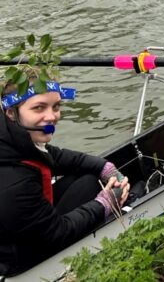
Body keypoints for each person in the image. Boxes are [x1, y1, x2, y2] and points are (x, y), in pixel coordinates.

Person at [0, 79, 129, 276]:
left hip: (23, 229)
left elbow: (56, 156)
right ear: (11, 113)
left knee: (89, 177)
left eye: (56, 106)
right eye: (39, 108)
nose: (52, 117)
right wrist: (105, 203)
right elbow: (58, 233)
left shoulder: (11, 137)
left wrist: (105, 167)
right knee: (91, 185)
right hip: (21, 262)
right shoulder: (13, 180)